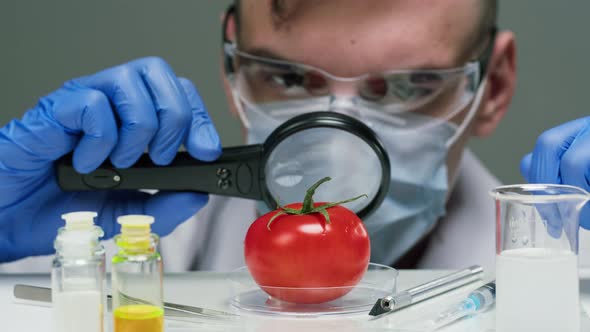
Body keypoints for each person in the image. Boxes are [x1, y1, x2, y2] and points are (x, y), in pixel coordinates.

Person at [0, 0, 582, 273]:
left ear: (495, 85)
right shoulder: (80, 259)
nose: (338, 149)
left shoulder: (573, 278)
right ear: (231, 69)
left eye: (408, 86)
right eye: (286, 77)